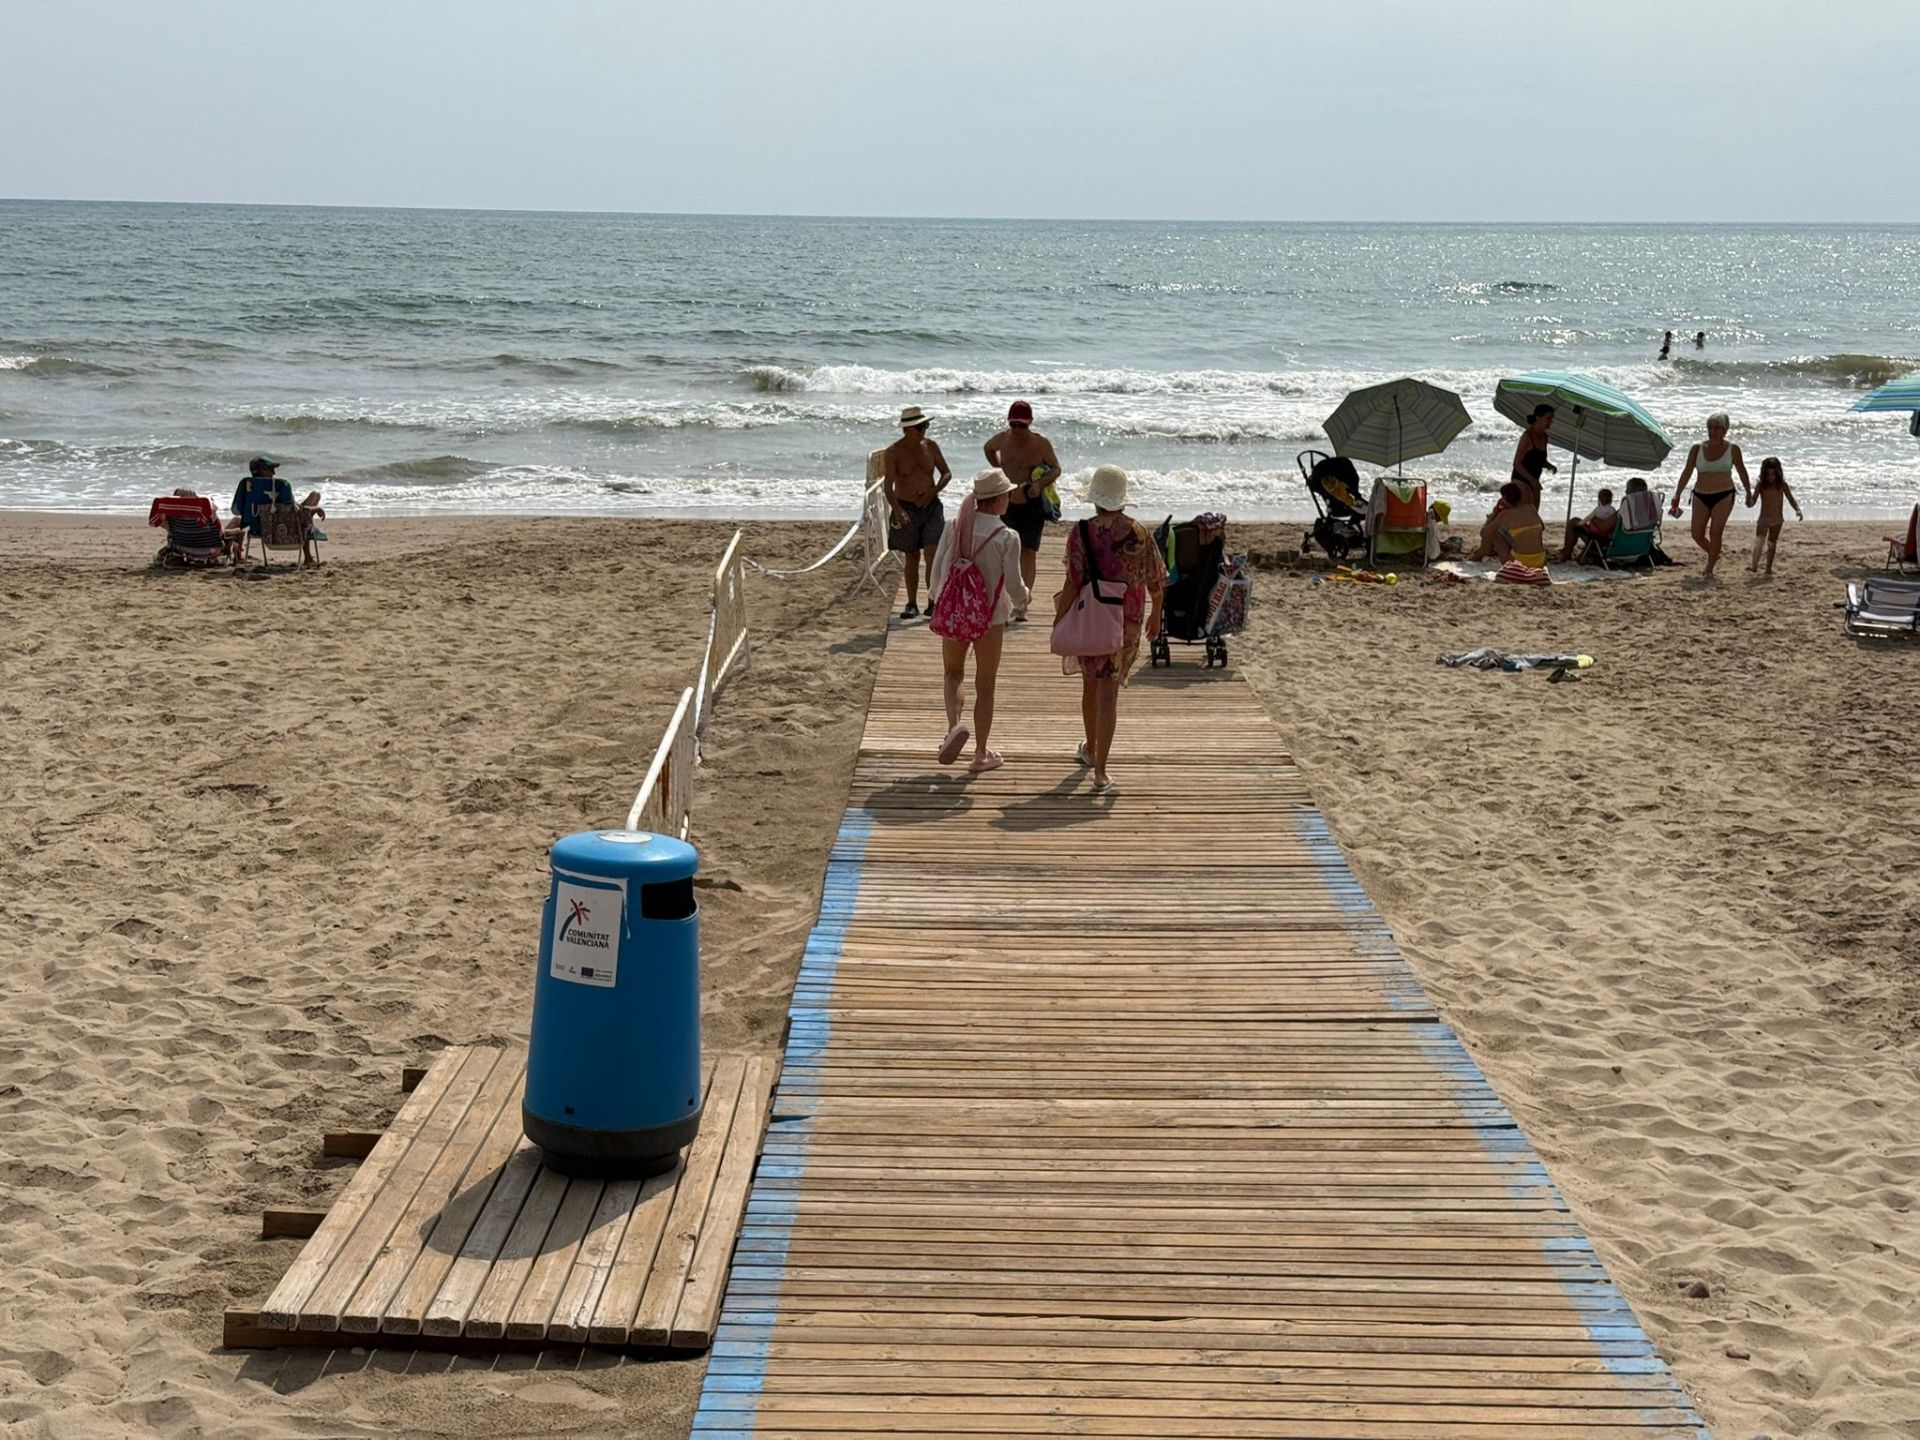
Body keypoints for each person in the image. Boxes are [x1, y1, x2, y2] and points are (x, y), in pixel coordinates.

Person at [1054, 465, 1165, 796]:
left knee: (1091, 684)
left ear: (1095, 499)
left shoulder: (1082, 532)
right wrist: (1156, 614)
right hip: (1126, 621)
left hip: (1092, 618)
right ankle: (1101, 771)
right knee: (1109, 692)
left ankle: (1090, 748)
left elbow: (1073, 582)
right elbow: (1156, 581)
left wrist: (1059, 619)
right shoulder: (1140, 533)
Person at [928, 469, 1028, 774]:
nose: (1009, 498)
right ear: (997, 499)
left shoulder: (955, 526)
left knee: (953, 673)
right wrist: (1023, 600)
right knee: (985, 684)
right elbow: (1014, 584)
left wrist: (937, 598)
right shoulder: (1007, 537)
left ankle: (954, 726)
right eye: (1007, 494)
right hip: (991, 617)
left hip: (956, 612)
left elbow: (938, 569)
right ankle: (981, 754)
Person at [982, 400, 1061, 621]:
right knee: (1005, 551)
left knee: (1028, 551)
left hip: (1032, 503)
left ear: (1030, 423)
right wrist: (998, 468)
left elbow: (1056, 468)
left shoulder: (1040, 444)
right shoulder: (1003, 439)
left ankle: (1023, 604)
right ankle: (1005, 599)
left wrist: (1040, 484)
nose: (1017, 429)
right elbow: (988, 448)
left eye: (1022, 425)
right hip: (1006, 502)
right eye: (1013, 424)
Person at [882, 406, 952, 619]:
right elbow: (888, 488)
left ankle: (932, 602)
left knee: (932, 554)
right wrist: (898, 510)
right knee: (911, 556)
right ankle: (911, 603)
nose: (924, 430)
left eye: (926, 425)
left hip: (931, 507)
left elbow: (946, 473)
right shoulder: (893, 452)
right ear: (908, 429)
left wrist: (933, 492)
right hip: (906, 507)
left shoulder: (930, 446)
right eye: (921, 427)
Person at [1670, 412, 1749, 579]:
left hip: (1724, 495)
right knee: (1696, 534)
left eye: (1717, 428)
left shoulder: (1733, 449)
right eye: (1710, 428)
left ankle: (1710, 567)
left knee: (1715, 532)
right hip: (1700, 495)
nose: (1713, 431)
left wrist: (1749, 492)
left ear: (1725, 430)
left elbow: (1742, 471)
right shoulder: (1697, 449)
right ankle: (1714, 553)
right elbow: (1687, 471)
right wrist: (1677, 493)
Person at [228, 456, 325, 567]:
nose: (274, 472)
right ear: (262, 470)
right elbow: (290, 511)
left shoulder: (246, 485)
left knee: (314, 495)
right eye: (271, 469)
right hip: (283, 527)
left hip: (257, 527)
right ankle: (308, 557)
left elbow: (237, 510)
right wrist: (314, 509)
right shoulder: (281, 485)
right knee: (310, 505)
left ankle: (308, 557)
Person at [1746, 456, 1802, 575]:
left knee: (1772, 543)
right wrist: (1748, 499)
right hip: (1764, 518)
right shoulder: (1761, 485)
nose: (1771, 477)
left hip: (1777, 519)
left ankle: (1768, 568)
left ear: (1778, 473)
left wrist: (1797, 510)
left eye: (1773, 474)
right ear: (1764, 474)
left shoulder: (1782, 485)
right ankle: (1754, 566)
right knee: (1759, 540)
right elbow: (1752, 502)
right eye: (1768, 474)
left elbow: (1791, 499)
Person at [1475, 483, 1546, 566]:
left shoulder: (1505, 514)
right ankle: (1484, 552)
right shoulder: (1530, 508)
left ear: (1505, 498)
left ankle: (1483, 552)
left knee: (1494, 533)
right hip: (1540, 560)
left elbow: (1484, 533)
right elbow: (1542, 527)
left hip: (1520, 562)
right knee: (1515, 534)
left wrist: (1494, 514)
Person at [1511, 404, 1558, 510]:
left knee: (1534, 513)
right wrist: (1532, 481)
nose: (1551, 422)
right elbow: (1517, 464)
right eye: (1548, 418)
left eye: (1551, 419)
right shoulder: (1527, 437)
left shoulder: (1544, 437)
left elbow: (1540, 460)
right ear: (1538, 417)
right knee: (1525, 512)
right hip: (1521, 479)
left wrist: (1550, 466)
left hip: (1535, 480)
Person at [1560, 486, 1619, 562]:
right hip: (1606, 536)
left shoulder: (1597, 510)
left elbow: (1589, 517)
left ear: (1599, 499)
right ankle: (1567, 552)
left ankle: (1566, 554)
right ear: (1611, 500)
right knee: (1574, 521)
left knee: (1573, 523)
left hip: (1597, 536)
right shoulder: (1613, 510)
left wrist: (1580, 524)